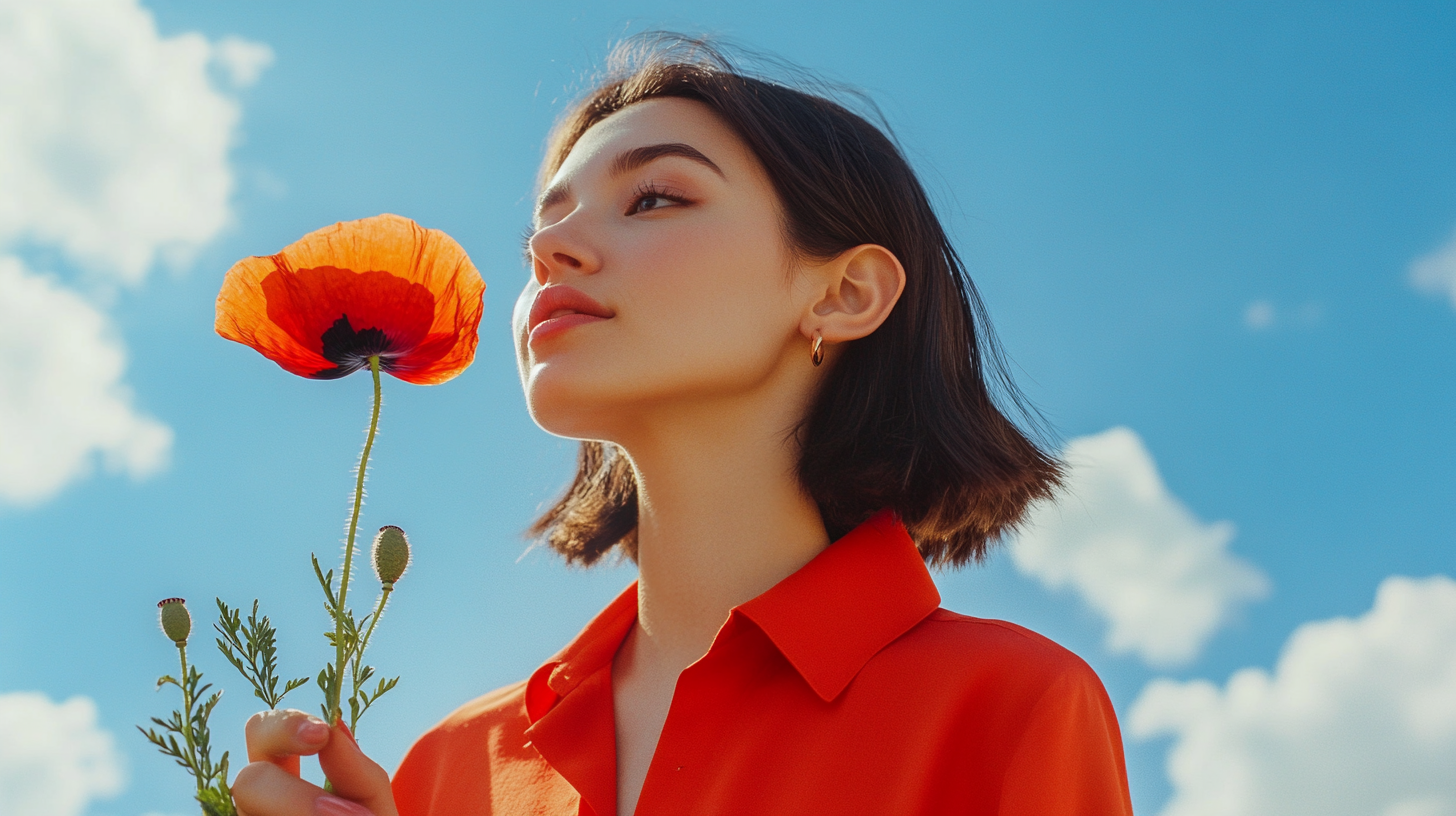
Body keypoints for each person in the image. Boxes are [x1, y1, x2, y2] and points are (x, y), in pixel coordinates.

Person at [231, 35, 1134, 816]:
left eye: (655, 198)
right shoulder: (450, 769)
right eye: (543, 228)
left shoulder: (1009, 708)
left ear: (844, 292)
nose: (550, 250)